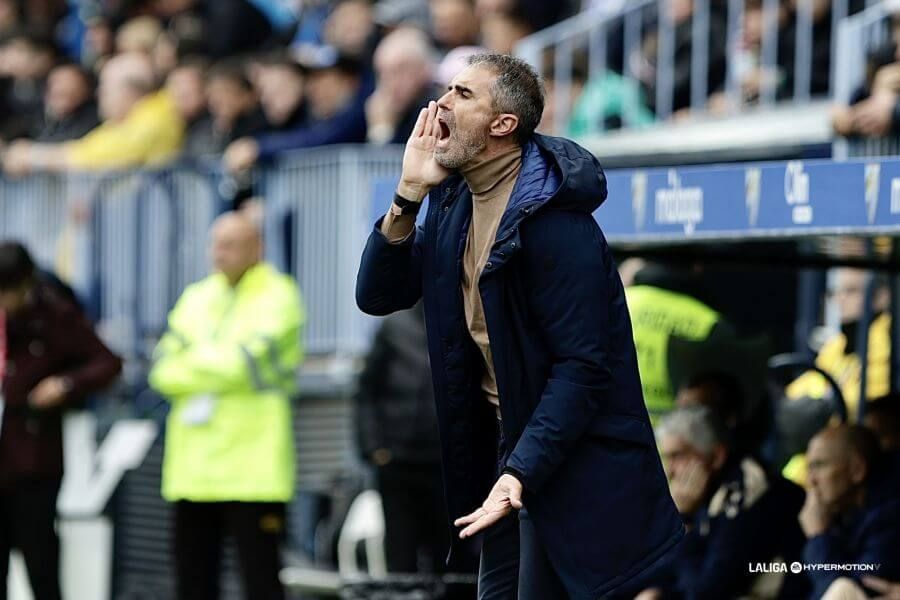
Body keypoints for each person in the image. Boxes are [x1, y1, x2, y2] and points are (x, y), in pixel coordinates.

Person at [356, 53, 683, 599]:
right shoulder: (454, 201)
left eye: (462, 94)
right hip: (509, 454)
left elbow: (582, 368)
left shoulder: (556, 222)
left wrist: (520, 472)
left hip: (565, 460)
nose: (440, 104)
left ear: (502, 124)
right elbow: (377, 295)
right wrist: (408, 194)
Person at [148, 212, 305, 600]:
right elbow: (161, 370)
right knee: (192, 584)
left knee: (261, 583)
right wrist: (220, 360)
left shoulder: (279, 294)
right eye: (215, 244)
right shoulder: (196, 295)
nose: (219, 253)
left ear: (257, 248)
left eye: (231, 244)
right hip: (193, 471)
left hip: (254, 470)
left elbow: (246, 364)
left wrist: (193, 359)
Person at [0, 241, 122, 600]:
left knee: (40, 563)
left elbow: (107, 362)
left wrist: (65, 384)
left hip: (33, 458)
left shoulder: (54, 313)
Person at [638, 407, 808, 600]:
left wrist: (684, 522)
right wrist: (656, 590)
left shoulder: (746, 492)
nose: (670, 471)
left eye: (678, 456)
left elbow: (706, 593)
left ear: (717, 456)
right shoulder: (709, 492)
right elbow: (673, 568)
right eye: (667, 458)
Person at [354, 303, 449, 574]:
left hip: (444, 463)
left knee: (448, 553)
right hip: (397, 460)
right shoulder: (394, 325)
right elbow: (366, 390)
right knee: (400, 552)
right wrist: (374, 448)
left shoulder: (456, 320)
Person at [2, 52, 184, 175]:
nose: (98, 95)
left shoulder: (156, 117)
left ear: (130, 92)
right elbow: (89, 147)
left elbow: (94, 157)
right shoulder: (127, 121)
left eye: (105, 88)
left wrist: (33, 156)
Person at [801, 425, 900, 599]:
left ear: (857, 470)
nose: (811, 480)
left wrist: (818, 537)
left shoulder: (890, 517)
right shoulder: (841, 514)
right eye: (809, 469)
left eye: (820, 466)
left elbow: (849, 593)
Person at [366, 27, 438, 145]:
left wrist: (382, 130)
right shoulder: (389, 108)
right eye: (382, 73)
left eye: (399, 71)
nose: (389, 82)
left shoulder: (435, 110)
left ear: (424, 69)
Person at [32, 62, 99, 143]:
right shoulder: (38, 113)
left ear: (85, 91)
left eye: (72, 88)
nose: (59, 89)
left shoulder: (92, 117)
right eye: (57, 83)